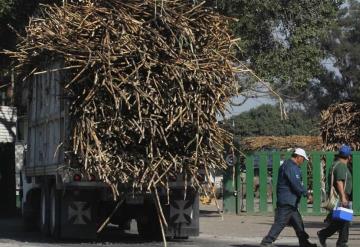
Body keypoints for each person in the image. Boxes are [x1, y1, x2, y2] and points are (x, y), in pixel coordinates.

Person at [260, 148, 317, 247]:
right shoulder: (291, 167)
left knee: (298, 222)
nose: (303, 162)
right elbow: (295, 183)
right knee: (280, 223)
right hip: (287, 200)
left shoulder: (287, 165)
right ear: (298, 157)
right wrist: (306, 193)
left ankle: (304, 242)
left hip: (290, 201)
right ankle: (267, 242)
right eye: (303, 159)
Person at [317, 145, 352, 247]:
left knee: (342, 221)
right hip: (341, 198)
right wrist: (343, 197)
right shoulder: (341, 166)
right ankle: (334, 239)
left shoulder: (335, 164)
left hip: (340, 198)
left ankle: (339, 241)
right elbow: (339, 182)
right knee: (343, 221)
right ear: (349, 156)